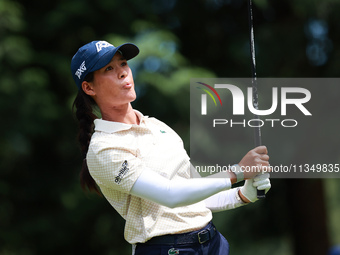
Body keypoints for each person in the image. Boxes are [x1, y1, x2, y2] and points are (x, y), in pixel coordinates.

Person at [71, 40, 271, 255]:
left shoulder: (157, 126)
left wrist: (243, 194)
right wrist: (237, 172)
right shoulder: (104, 149)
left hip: (213, 244)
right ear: (88, 87)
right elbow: (171, 195)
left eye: (123, 64)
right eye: (109, 69)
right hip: (166, 250)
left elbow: (195, 191)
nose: (123, 73)